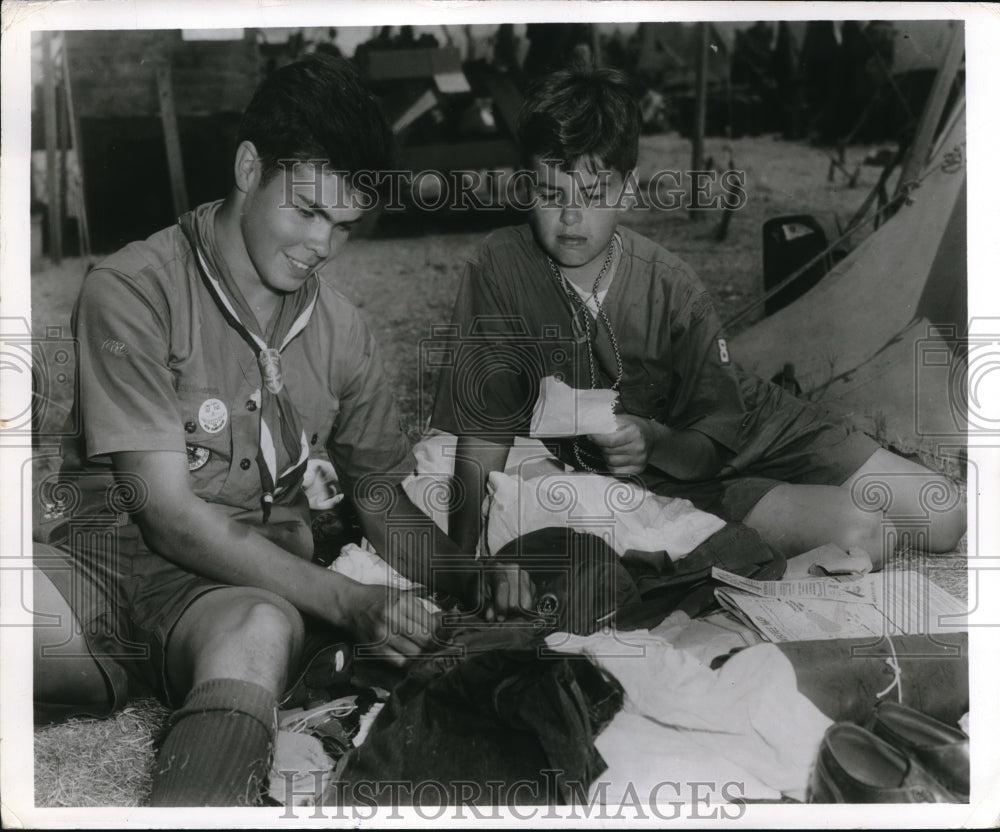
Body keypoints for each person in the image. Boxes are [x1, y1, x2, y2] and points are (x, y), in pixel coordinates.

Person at [31, 54, 507, 807]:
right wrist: (348, 602)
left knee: (258, 629)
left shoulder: (344, 333)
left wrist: (468, 576)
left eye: (345, 226)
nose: (322, 245)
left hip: (227, 592)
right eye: (308, 212)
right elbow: (168, 515)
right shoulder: (131, 288)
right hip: (99, 564)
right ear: (249, 168)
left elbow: (380, 498)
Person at [431, 65, 965, 575]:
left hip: (742, 425)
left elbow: (714, 432)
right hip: (680, 477)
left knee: (943, 519)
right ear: (527, 185)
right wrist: (457, 568)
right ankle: (789, 507)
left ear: (626, 189)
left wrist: (652, 437)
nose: (571, 218)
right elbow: (482, 428)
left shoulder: (672, 286)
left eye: (593, 196)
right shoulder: (499, 268)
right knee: (866, 535)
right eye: (551, 195)